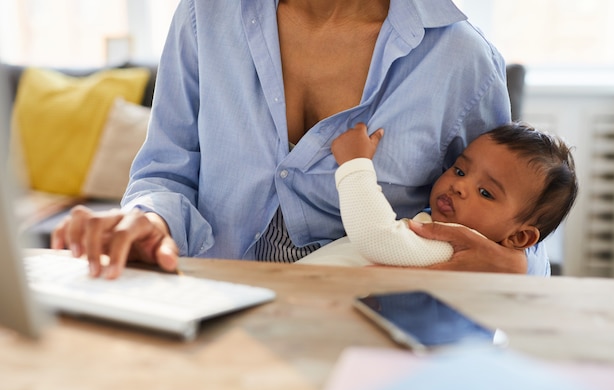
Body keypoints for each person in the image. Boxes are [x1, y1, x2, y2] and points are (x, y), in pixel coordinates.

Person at [51, 0, 549, 279]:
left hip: (374, 333)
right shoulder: (206, 16)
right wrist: (150, 219)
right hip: (211, 305)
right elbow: (166, 170)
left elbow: (517, 215)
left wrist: (517, 265)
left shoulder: (461, 59)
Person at [297, 122, 578, 269]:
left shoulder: (452, 251)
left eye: (485, 192)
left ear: (519, 237)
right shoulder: (432, 226)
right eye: (459, 170)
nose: (459, 186)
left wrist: (354, 166)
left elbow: (376, 238)